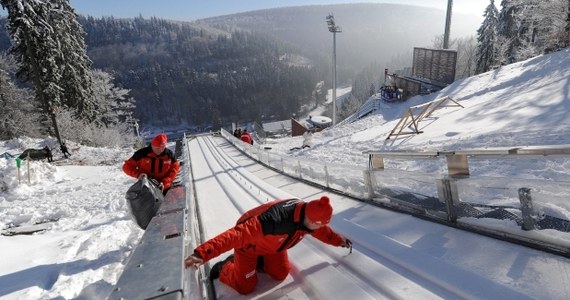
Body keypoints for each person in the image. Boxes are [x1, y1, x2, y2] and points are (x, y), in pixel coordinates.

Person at [184, 196, 352, 295]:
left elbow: (323, 232)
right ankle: (226, 267)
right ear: (311, 219)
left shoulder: (310, 218)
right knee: (246, 287)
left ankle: (260, 263)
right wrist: (203, 253)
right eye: (318, 225)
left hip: (273, 247)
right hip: (249, 246)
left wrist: (339, 241)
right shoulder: (275, 220)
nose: (319, 229)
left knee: (281, 273)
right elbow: (236, 235)